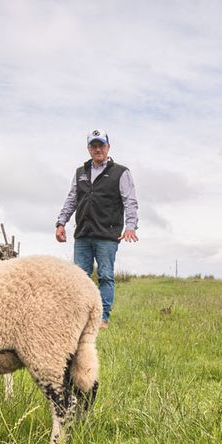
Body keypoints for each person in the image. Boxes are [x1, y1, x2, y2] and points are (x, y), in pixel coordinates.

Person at [55, 129, 138, 327]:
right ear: (88, 149)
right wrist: (61, 222)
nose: (98, 149)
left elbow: (130, 201)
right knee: (79, 278)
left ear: (108, 147)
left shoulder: (121, 172)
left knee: (105, 276)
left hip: (107, 235)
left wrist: (131, 226)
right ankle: (80, 317)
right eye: (94, 146)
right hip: (83, 234)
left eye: (101, 145)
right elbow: (72, 199)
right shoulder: (80, 172)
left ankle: (102, 317)